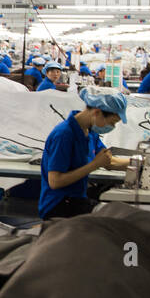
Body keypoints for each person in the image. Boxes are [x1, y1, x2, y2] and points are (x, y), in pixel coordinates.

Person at [39, 86, 131, 220]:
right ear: (97, 112)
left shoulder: (90, 132)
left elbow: (108, 161)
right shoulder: (64, 134)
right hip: (59, 206)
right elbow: (55, 181)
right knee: (114, 221)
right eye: (112, 123)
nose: (112, 127)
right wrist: (93, 165)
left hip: (76, 199)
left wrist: (142, 163)